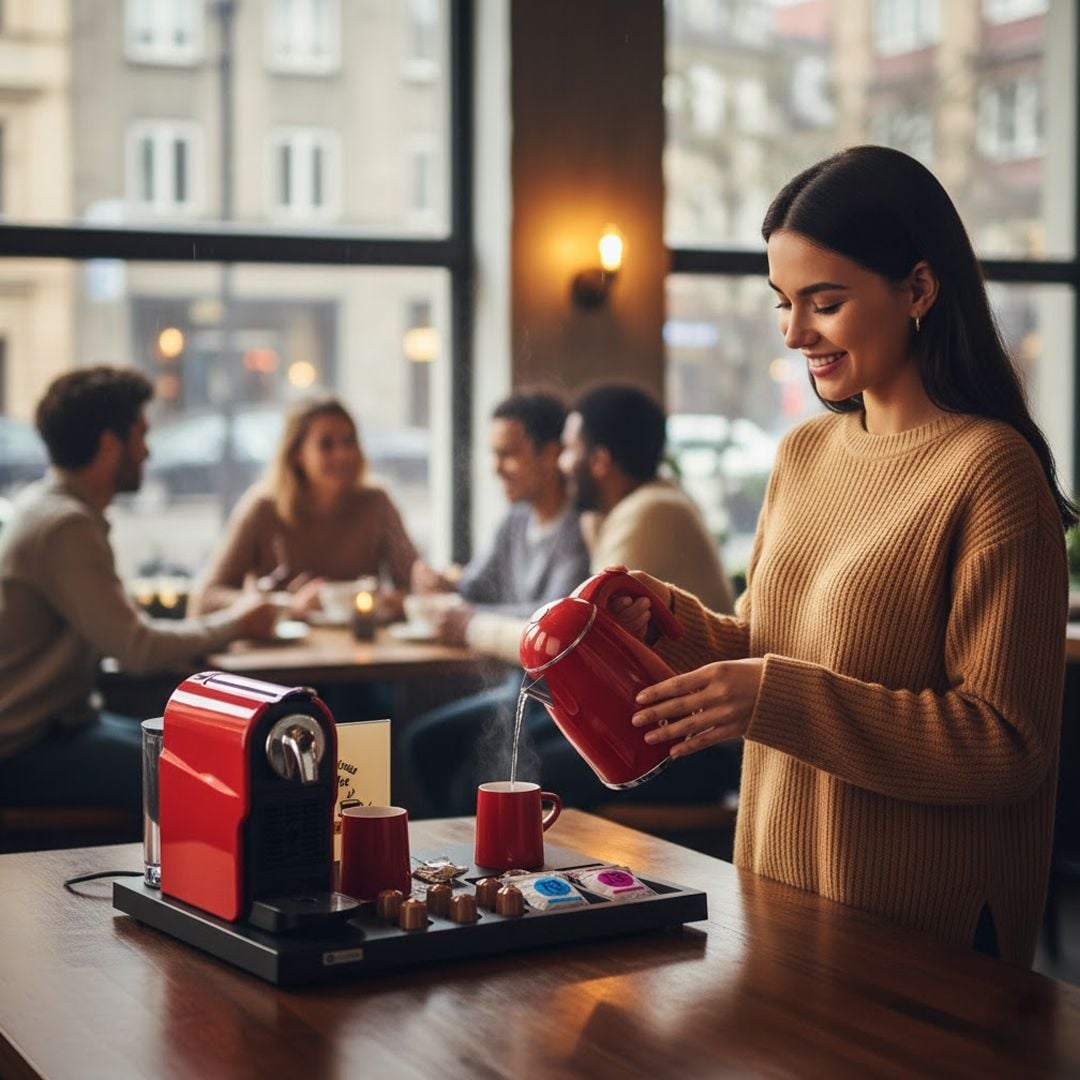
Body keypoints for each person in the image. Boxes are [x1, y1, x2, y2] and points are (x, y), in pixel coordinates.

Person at [609, 146, 1072, 967]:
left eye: (824, 302)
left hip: (923, 937)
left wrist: (776, 698)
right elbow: (766, 647)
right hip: (781, 901)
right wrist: (671, 623)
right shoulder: (804, 455)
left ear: (920, 290)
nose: (795, 333)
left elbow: (1007, 746)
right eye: (783, 303)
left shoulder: (991, 471)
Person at [403, 381, 736, 817]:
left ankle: (506, 878)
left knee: (489, 774)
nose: (563, 463)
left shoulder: (650, 513)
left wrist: (470, 624)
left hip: (693, 747)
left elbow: (576, 644)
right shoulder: (627, 511)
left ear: (598, 461)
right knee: (450, 750)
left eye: (570, 450)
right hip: (654, 726)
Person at [0, 367, 280, 817]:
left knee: (204, 751)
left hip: (62, 726)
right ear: (110, 444)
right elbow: (135, 647)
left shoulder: (48, 508)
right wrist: (239, 622)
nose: (148, 451)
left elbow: (121, 628)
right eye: (141, 435)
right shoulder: (65, 525)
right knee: (209, 769)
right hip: (25, 747)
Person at [190, 396, 419, 621]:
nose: (343, 454)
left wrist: (397, 600)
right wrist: (286, 605)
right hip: (283, 655)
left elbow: (416, 584)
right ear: (297, 454)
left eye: (349, 442)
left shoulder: (377, 504)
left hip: (363, 652)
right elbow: (204, 601)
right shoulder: (263, 508)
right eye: (326, 445)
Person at [411, 388, 591, 646]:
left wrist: (471, 618)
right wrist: (443, 584)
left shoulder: (579, 528)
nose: (495, 468)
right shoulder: (516, 518)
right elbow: (476, 587)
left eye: (508, 454)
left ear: (551, 455)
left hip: (545, 685)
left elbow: (554, 615)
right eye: (494, 454)